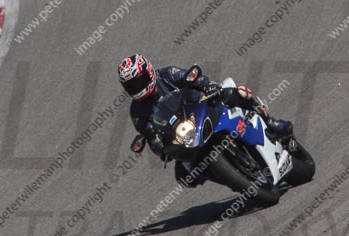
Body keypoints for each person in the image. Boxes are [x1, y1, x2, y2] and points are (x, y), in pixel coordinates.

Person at [118, 54, 293, 187]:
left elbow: (191, 78)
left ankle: (270, 122)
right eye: (131, 86)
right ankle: (233, 179)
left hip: (202, 109)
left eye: (139, 81)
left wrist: (206, 85)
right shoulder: (137, 111)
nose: (137, 88)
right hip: (184, 137)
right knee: (184, 176)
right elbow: (150, 135)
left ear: (149, 72)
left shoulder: (167, 74)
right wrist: (158, 145)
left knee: (234, 92)